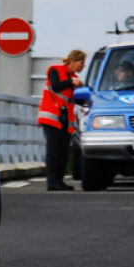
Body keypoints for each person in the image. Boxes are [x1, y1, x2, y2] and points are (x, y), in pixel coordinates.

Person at [38, 49, 85, 191]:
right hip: (51, 117)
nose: (83, 66)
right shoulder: (55, 70)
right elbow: (55, 86)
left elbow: (76, 101)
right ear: (73, 60)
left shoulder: (74, 78)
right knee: (54, 150)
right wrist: (71, 82)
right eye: (81, 62)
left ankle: (59, 180)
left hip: (65, 119)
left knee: (63, 151)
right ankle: (52, 181)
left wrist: (80, 88)